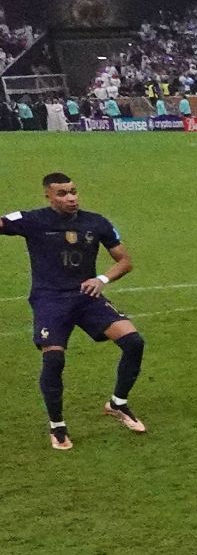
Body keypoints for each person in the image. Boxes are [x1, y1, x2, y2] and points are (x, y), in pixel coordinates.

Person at [3, 172, 149, 449]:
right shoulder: (33, 220)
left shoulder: (96, 222)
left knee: (134, 342)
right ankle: (57, 426)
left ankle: (118, 403)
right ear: (48, 196)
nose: (71, 198)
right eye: (62, 193)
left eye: (73, 191)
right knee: (54, 360)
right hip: (50, 300)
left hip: (86, 296)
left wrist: (101, 279)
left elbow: (124, 261)